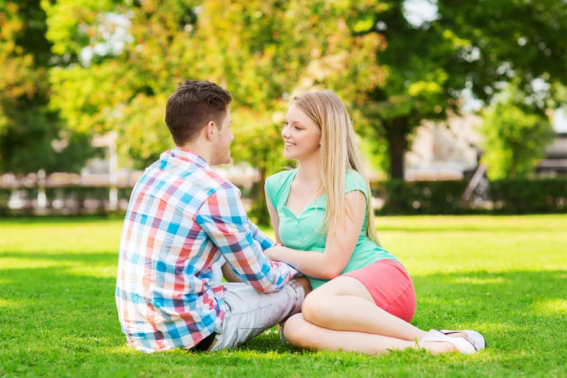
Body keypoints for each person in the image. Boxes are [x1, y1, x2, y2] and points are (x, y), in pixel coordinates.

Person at [264, 90, 485, 355]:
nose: (286, 133)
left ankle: (428, 337)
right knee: (293, 328)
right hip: (328, 303)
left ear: (325, 135)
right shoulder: (275, 186)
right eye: (286, 124)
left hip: (379, 283)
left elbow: (331, 265)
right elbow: (294, 269)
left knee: (315, 306)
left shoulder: (349, 184)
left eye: (297, 127)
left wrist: (277, 252)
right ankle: (432, 348)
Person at [115, 80, 310, 353]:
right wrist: (301, 267)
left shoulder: (151, 174)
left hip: (141, 331)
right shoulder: (215, 190)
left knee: (231, 273)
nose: (231, 136)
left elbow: (248, 234)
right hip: (196, 334)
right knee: (299, 285)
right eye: (229, 127)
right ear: (211, 130)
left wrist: (280, 251)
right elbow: (264, 279)